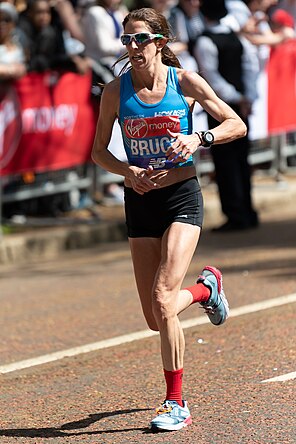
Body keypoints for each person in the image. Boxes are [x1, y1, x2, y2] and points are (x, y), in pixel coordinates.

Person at [91, 7, 246, 432]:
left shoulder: (186, 82)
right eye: (127, 40)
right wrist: (129, 172)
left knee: (163, 299)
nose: (133, 47)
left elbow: (236, 123)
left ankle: (175, 402)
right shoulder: (114, 92)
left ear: (160, 42)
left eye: (140, 39)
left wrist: (200, 137)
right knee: (154, 317)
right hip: (139, 201)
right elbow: (98, 151)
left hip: (181, 197)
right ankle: (205, 289)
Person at [194, 0, 259, 232]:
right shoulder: (237, 38)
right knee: (241, 159)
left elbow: (212, 79)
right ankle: (246, 212)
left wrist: (239, 98)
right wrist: (247, 97)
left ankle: (237, 214)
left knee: (227, 161)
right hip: (238, 106)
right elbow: (250, 68)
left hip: (222, 108)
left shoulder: (204, 41)